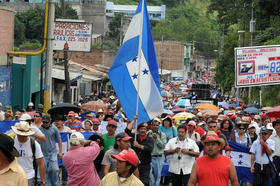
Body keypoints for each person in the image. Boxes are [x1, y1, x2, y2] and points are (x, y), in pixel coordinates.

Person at [12, 121, 46, 186]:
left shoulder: (34, 145)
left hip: (29, 177)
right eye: (20, 135)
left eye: (24, 135)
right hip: (13, 176)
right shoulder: (11, 142)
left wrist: (43, 182)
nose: (22, 137)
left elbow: (41, 163)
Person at [126, 122, 154, 186]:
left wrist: (138, 145)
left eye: (144, 129)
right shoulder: (134, 137)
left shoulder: (150, 139)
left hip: (145, 165)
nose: (143, 130)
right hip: (134, 165)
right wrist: (134, 120)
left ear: (147, 130)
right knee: (134, 181)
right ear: (138, 130)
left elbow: (149, 149)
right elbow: (127, 131)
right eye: (141, 129)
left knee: (144, 182)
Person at [39, 115, 62, 186]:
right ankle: (47, 184)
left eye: (47, 122)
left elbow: (59, 140)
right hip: (43, 153)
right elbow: (36, 139)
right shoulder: (39, 129)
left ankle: (55, 183)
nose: (45, 124)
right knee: (45, 170)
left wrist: (60, 152)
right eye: (44, 122)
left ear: (50, 121)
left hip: (53, 153)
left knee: (54, 169)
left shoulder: (54, 129)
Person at [148, 118, 166, 186]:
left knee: (158, 176)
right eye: (154, 125)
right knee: (150, 176)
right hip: (150, 157)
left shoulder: (162, 135)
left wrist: (157, 138)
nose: (155, 126)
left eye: (157, 125)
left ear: (159, 126)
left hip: (158, 158)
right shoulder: (148, 134)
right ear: (151, 126)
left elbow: (163, 146)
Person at [270, 120, 280, 186]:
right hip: (275, 159)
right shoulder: (271, 137)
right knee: (274, 178)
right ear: (274, 127)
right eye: (277, 125)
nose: (279, 126)